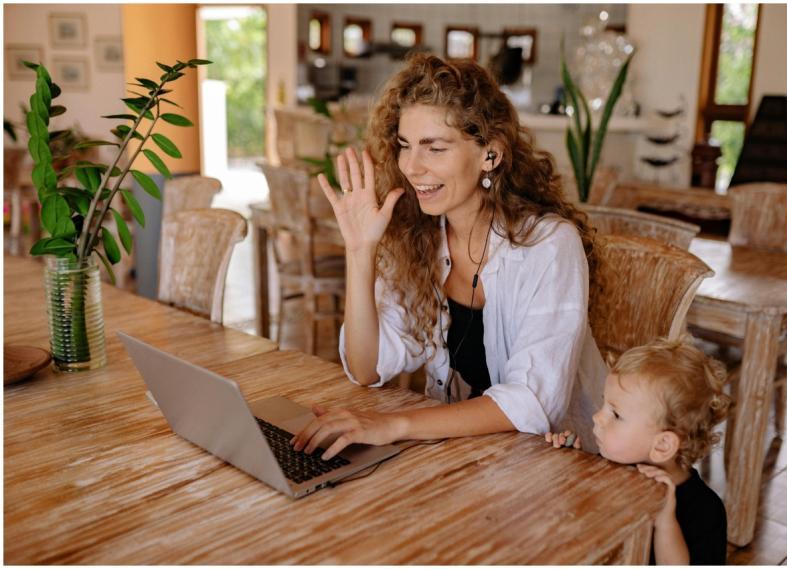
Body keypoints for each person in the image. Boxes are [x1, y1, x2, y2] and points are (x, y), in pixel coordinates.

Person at [292, 53, 606, 461]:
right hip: (477, 456)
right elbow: (367, 367)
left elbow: (532, 402)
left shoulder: (548, 246)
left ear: (490, 155)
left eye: (434, 148)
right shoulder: (421, 235)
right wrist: (360, 250)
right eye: (405, 146)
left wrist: (396, 425)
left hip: (573, 462)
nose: (411, 166)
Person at [546, 337, 731, 565]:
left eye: (616, 414)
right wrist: (570, 460)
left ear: (662, 445)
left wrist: (665, 520)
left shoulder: (705, 513)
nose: (597, 417)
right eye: (604, 404)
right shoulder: (612, 464)